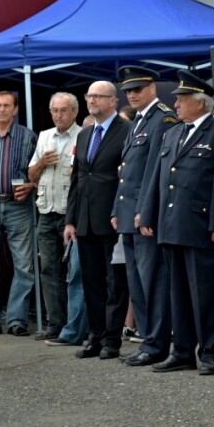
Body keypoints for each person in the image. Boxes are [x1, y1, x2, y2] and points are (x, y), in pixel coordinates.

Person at [139, 70, 214, 376]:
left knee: (205, 293)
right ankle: (182, 350)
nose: (176, 105)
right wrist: (149, 212)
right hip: (170, 223)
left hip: (199, 224)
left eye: (182, 100)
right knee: (176, 293)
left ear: (200, 103)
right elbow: (157, 177)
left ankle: (209, 352)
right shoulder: (172, 134)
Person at [110, 66, 177, 366]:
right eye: (128, 90)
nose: (133, 94)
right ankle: (147, 339)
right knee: (136, 282)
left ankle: (157, 342)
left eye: (138, 88)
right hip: (129, 213)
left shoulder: (161, 118)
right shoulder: (139, 121)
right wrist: (117, 208)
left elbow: (154, 172)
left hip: (143, 216)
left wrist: (144, 211)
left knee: (153, 281)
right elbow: (126, 173)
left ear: (152, 87)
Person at [64, 81, 130, 360]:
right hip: (85, 220)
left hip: (113, 218)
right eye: (89, 96)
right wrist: (70, 220)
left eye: (98, 97)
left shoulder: (126, 131)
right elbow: (78, 178)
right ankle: (96, 336)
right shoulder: (85, 134)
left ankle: (112, 339)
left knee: (115, 282)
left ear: (113, 101)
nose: (92, 101)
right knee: (90, 281)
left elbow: (127, 178)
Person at [0, 91, 37, 337]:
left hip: (18, 206)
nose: (2, 110)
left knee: (24, 265)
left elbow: (37, 172)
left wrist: (32, 185)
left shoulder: (28, 136)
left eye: (7, 106)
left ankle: (17, 320)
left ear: (15, 109)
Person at [28, 92, 82, 341]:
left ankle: (75, 325)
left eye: (63, 110)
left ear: (74, 112)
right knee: (48, 269)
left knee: (74, 271)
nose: (59, 115)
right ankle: (55, 323)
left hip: (70, 212)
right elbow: (31, 175)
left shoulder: (83, 135)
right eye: (55, 111)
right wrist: (42, 164)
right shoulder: (44, 136)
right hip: (46, 211)